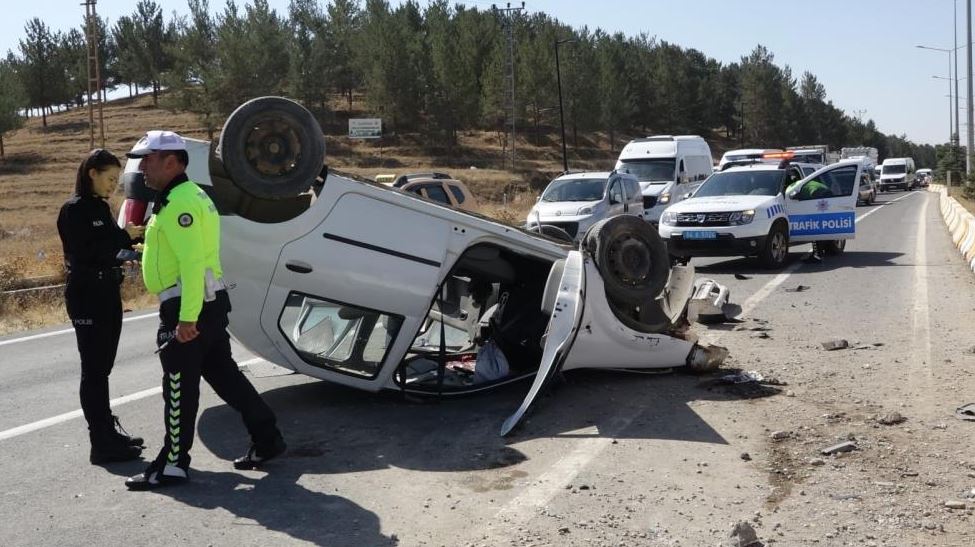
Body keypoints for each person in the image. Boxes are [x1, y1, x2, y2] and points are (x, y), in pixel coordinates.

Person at [123, 131, 286, 491]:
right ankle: (267, 439)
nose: (142, 167)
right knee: (226, 378)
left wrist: (186, 319)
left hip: (189, 306)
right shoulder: (182, 195)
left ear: (172, 161)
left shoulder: (180, 202)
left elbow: (193, 262)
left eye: (147, 159)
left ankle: (173, 465)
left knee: (179, 387)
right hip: (202, 304)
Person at [57, 149, 146, 464]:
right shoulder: (74, 210)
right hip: (86, 295)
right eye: (109, 179)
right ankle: (101, 442)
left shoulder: (101, 207)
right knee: (93, 371)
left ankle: (108, 434)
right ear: (91, 173)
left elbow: (112, 249)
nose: (113, 186)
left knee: (103, 369)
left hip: (108, 292)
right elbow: (88, 251)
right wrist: (122, 237)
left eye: (116, 181)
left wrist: (131, 244)